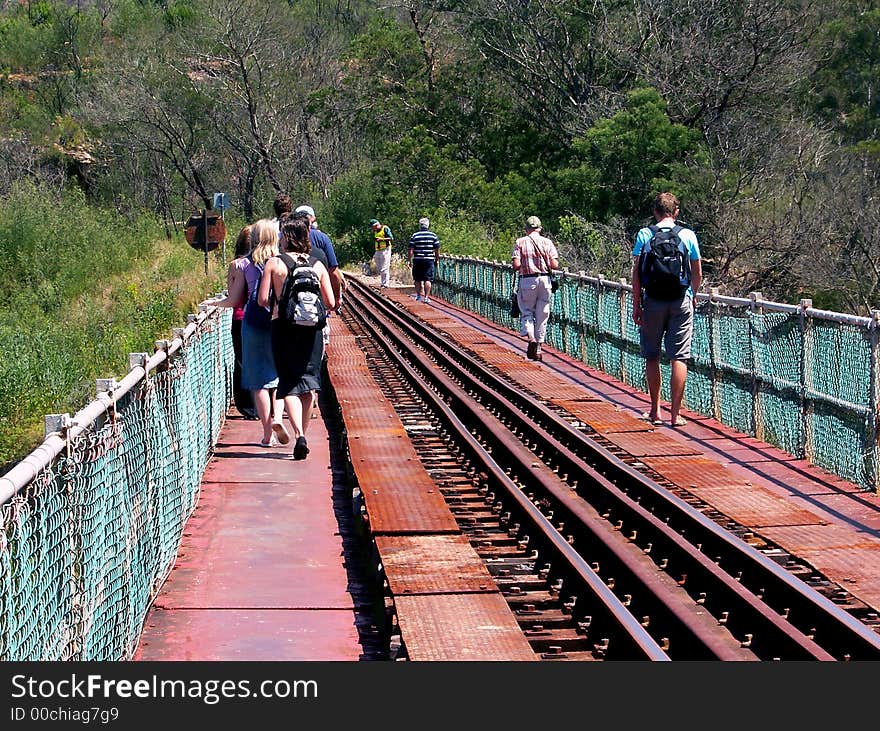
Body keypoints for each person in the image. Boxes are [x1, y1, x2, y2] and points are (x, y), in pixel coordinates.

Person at [259, 215, 335, 460]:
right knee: (310, 383)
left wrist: (279, 305)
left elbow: (261, 300)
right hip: (312, 331)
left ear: (285, 238)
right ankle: (305, 436)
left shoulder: (274, 263)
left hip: (283, 329)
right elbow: (331, 302)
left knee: (289, 383)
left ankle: (299, 434)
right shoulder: (317, 265)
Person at [212, 219, 289, 447]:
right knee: (277, 376)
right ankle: (277, 418)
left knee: (258, 381)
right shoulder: (283, 262)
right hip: (280, 324)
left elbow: (234, 300)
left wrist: (214, 305)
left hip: (253, 323)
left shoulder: (243, 264)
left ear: (254, 238)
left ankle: (267, 434)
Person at [631, 192, 702, 428]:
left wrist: (636, 304)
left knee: (652, 355)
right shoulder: (688, 235)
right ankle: (675, 415)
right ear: (676, 212)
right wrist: (692, 294)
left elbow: (637, 274)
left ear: (655, 212)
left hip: (652, 301)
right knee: (679, 356)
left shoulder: (645, 234)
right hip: (680, 300)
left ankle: (655, 411)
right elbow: (697, 271)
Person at [512, 215, 559, 361]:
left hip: (527, 280)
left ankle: (531, 338)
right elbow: (554, 265)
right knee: (542, 314)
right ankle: (538, 348)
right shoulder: (547, 242)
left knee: (527, 312)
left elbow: (516, 266)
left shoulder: (520, 242)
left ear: (526, 229)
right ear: (539, 229)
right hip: (545, 280)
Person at [228, 225, 257, 420]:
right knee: (260, 360)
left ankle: (246, 407)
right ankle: (263, 404)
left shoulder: (235, 264)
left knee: (241, 361)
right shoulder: (263, 262)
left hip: (239, 317)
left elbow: (232, 295)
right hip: (259, 317)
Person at [408, 217, 440, 303]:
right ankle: (426, 297)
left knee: (417, 279)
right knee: (428, 279)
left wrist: (409, 260)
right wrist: (437, 260)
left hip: (417, 259)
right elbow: (437, 250)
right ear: (428, 225)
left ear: (420, 226)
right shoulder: (433, 236)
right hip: (429, 260)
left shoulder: (414, 235)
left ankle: (418, 296)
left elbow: (411, 249)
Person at [370, 218, 394, 287]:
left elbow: (391, 238)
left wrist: (381, 239)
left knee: (385, 267)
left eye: (372, 227)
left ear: (376, 225)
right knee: (380, 268)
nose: (372, 229)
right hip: (378, 250)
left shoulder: (385, 228)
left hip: (386, 249)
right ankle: (382, 282)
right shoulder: (376, 231)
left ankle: (386, 284)